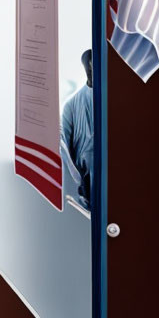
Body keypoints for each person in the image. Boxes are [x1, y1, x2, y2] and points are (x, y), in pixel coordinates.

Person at [60, 49, 94, 211]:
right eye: (90, 66)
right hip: (87, 175)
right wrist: (79, 179)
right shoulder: (72, 104)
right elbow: (63, 143)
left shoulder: (116, 97)